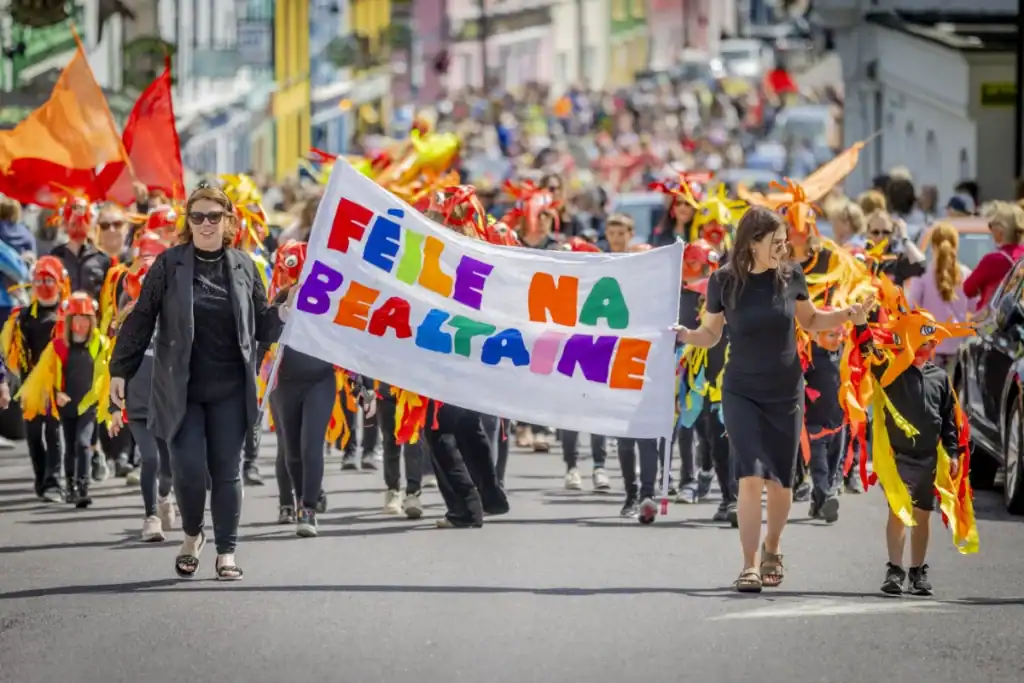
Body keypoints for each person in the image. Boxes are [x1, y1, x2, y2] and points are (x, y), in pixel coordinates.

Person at [675, 206, 871, 593]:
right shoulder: (724, 281)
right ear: (753, 242)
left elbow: (811, 321)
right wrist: (684, 334)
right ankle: (748, 565)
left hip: (785, 389)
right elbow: (711, 334)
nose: (784, 248)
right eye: (777, 242)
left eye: (785, 241)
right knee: (750, 476)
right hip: (741, 389)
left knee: (780, 481)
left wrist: (848, 314)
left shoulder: (791, 275)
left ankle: (772, 549)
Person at [109, 182, 288, 581]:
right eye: (198, 217)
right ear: (188, 223)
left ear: (228, 221)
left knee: (226, 472)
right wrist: (120, 370)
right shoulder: (169, 264)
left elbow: (263, 322)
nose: (206, 223)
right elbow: (141, 319)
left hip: (230, 389)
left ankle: (227, 550)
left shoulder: (244, 265)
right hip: (181, 389)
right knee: (188, 471)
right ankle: (192, 535)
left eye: (214, 216)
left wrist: (287, 312)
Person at [851, 310, 971, 595]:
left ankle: (917, 571)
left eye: (930, 345)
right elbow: (868, 352)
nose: (925, 350)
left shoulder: (940, 378)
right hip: (898, 457)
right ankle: (895, 569)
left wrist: (952, 453)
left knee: (922, 515)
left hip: (930, 458)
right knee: (898, 512)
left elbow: (948, 419)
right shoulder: (892, 371)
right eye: (919, 343)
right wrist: (859, 324)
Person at [108, 232, 176, 541]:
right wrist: (112, 407)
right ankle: (150, 517)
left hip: (169, 401)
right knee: (151, 458)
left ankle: (164, 496)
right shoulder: (125, 323)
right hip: (137, 402)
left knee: (169, 465)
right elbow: (113, 367)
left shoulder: (177, 318)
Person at [18, 292, 111, 509]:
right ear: (68, 320)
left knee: (83, 443)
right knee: (70, 447)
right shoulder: (58, 346)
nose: (81, 322)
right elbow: (45, 375)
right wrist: (55, 394)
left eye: (85, 317)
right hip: (66, 405)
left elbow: (108, 373)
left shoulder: (101, 343)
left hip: (89, 404)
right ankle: (70, 487)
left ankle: (83, 487)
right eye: (76, 317)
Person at [1, 256, 69, 501]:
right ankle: (41, 479)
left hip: (56, 384)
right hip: (30, 385)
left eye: (49, 279)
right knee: (32, 434)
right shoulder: (24, 316)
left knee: (53, 432)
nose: (44, 283)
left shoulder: (67, 312)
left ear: (60, 281)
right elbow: (13, 351)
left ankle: (54, 481)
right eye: (39, 279)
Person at [905, 223, 976, 373]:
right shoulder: (965, 274)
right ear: (955, 245)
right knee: (953, 391)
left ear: (933, 246)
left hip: (930, 345)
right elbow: (975, 307)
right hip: (957, 344)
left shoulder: (922, 274)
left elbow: (912, 307)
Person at [802, 319, 844, 523]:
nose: (837, 339)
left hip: (838, 422)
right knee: (819, 466)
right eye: (831, 335)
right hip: (814, 423)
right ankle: (827, 498)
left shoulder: (844, 353)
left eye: (839, 334)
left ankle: (818, 504)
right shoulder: (808, 357)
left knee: (833, 465)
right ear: (815, 335)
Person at [963, 201, 1024, 311]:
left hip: (996, 325)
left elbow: (968, 289)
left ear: (1000, 231)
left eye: (991, 226)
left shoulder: (993, 260)